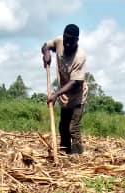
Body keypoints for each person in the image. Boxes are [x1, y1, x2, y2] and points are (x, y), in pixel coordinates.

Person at [41, 24, 89, 155]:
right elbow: (46, 45)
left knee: (73, 127)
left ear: (76, 41)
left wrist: (56, 94)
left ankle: (77, 155)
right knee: (63, 126)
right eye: (66, 40)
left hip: (77, 95)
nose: (67, 44)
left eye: (71, 41)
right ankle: (64, 152)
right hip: (64, 95)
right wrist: (46, 53)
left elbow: (74, 83)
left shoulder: (80, 57)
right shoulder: (59, 41)